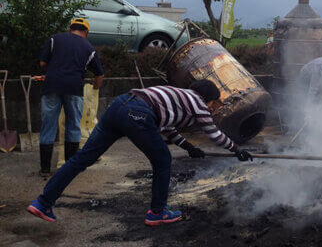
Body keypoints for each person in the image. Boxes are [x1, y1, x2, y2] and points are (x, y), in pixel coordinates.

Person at [27, 80, 253, 226]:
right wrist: (237, 150)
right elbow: (214, 134)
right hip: (138, 112)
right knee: (163, 159)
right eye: (215, 103)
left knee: (82, 158)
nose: (214, 108)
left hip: (119, 106)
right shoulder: (198, 103)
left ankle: (43, 202)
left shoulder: (178, 96)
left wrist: (187, 147)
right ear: (209, 99)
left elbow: (166, 127)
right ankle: (157, 212)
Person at [38, 18, 104, 176]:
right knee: (73, 125)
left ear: (70, 29)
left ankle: (45, 170)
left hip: (52, 85)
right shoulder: (88, 47)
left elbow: (42, 63)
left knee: (48, 125)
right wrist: (94, 88)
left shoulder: (55, 39)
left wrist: (53, 72)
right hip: (74, 88)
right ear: (86, 33)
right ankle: (69, 169)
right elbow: (99, 75)